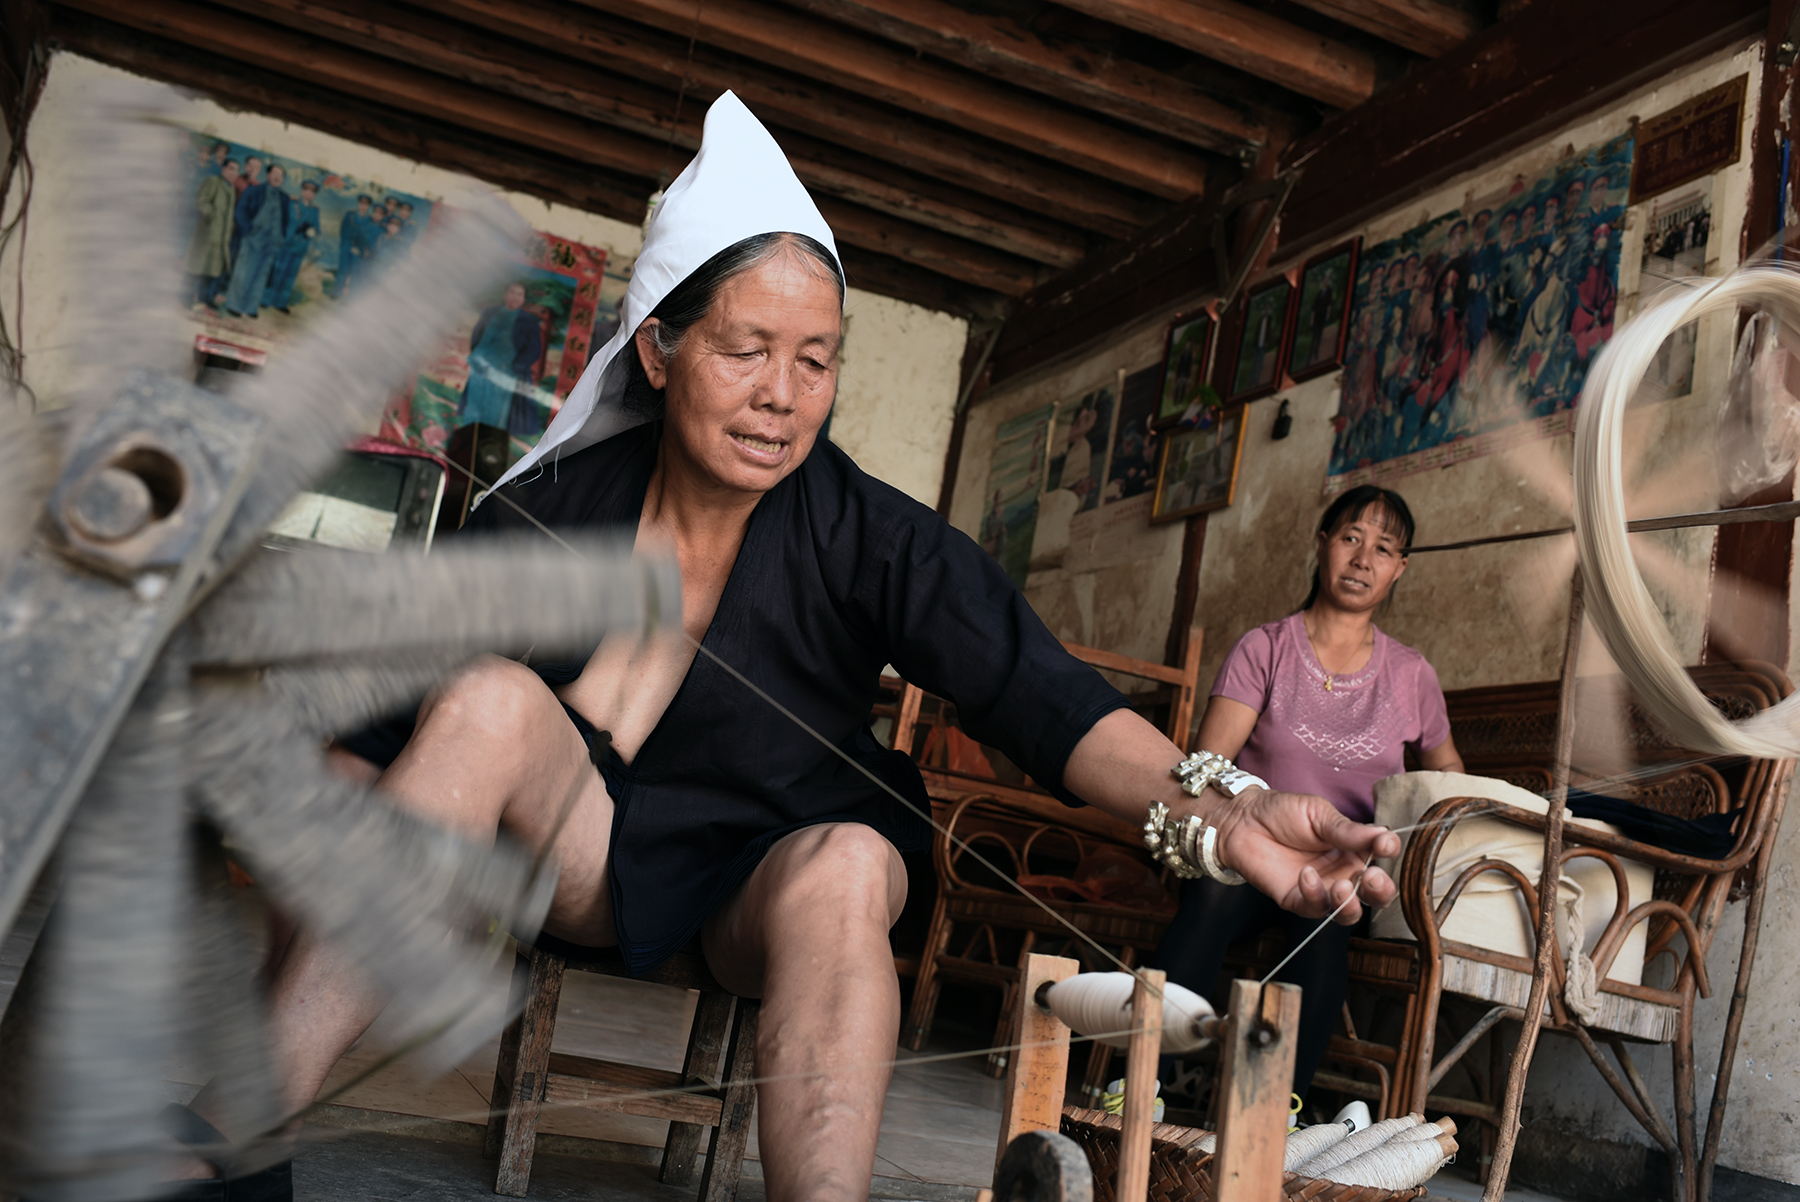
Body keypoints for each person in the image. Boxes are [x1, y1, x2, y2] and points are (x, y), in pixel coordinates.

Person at [170, 92, 1400, 1202]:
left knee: (853, 867)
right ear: (659, 349)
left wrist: (1232, 812)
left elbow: (1048, 697)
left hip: (767, 880)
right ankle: (230, 1144)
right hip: (586, 862)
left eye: (816, 361)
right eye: (746, 349)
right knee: (486, 700)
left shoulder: (868, 533)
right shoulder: (550, 515)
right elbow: (369, 739)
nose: (783, 394)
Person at [1149, 485, 1462, 1109]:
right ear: (1323, 544)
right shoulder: (1265, 648)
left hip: (1339, 869)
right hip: (1248, 853)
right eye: (1350, 538)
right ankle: (1146, 1082)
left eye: (1384, 548)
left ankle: (1272, 1112)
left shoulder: (1412, 675)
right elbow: (1208, 767)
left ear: (1400, 568)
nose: (1363, 559)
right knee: (1210, 896)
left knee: (1327, 915)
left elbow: (1448, 781)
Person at [458, 281, 542, 428]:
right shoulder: (489, 312)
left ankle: (491, 438)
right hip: (481, 366)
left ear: (523, 299)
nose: (514, 297)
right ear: (505, 294)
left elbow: (534, 350)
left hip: (507, 369)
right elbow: (477, 335)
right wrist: (478, 356)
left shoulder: (529, 321)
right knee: (475, 402)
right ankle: (468, 433)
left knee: (497, 408)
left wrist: (516, 366)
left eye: (519, 294)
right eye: (512, 292)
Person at [222, 163, 289, 318]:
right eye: (275, 173)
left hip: (272, 242)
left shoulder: (284, 198)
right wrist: (248, 231)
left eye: (281, 175)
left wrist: (281, 238)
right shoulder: (255, 191)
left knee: (261, 276)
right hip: (253, 239)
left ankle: (251, 308)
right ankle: (234, 305)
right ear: (268, 175)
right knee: (243, 273)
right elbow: (240, 211)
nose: (278, 177)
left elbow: (285, 220)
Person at [184, 158, 237, 308]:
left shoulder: (231, 189)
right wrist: (211, 214)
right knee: (196, 268)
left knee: (212, 270)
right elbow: (201, 200)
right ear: (224, 169)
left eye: (236, 170)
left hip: (220, 239)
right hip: (207, 234)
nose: (234, 173)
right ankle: (186, 297)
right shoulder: (213, 181)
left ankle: (205, 297)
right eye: (231, 168)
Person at [261, 179, 319, 314]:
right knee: (277, 271)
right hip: (285, 244)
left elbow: (317, 229)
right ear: (302, 190)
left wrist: (312, 232)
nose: (308, 194)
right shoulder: (291, 203)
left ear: (314, 194)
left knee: (290, 276)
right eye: (306, 190)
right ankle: (266, 299)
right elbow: (282, 221)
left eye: (312, 192)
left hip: (300, 247)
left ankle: (281, 302)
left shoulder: (315, 210)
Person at [330, 194, 374, 299]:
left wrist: (361, 248)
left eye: (366, 204)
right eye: (361, 203)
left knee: (355, 273)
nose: (363, 206)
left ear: (368, 206)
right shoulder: (350, 215)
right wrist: (344, 246)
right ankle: (336, 293)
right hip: (347, 247)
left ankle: (351, 297)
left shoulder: (370, 220)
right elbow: (343, 230)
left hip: (358, 250)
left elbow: (368, 236)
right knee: (342, 271)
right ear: (358, 204)